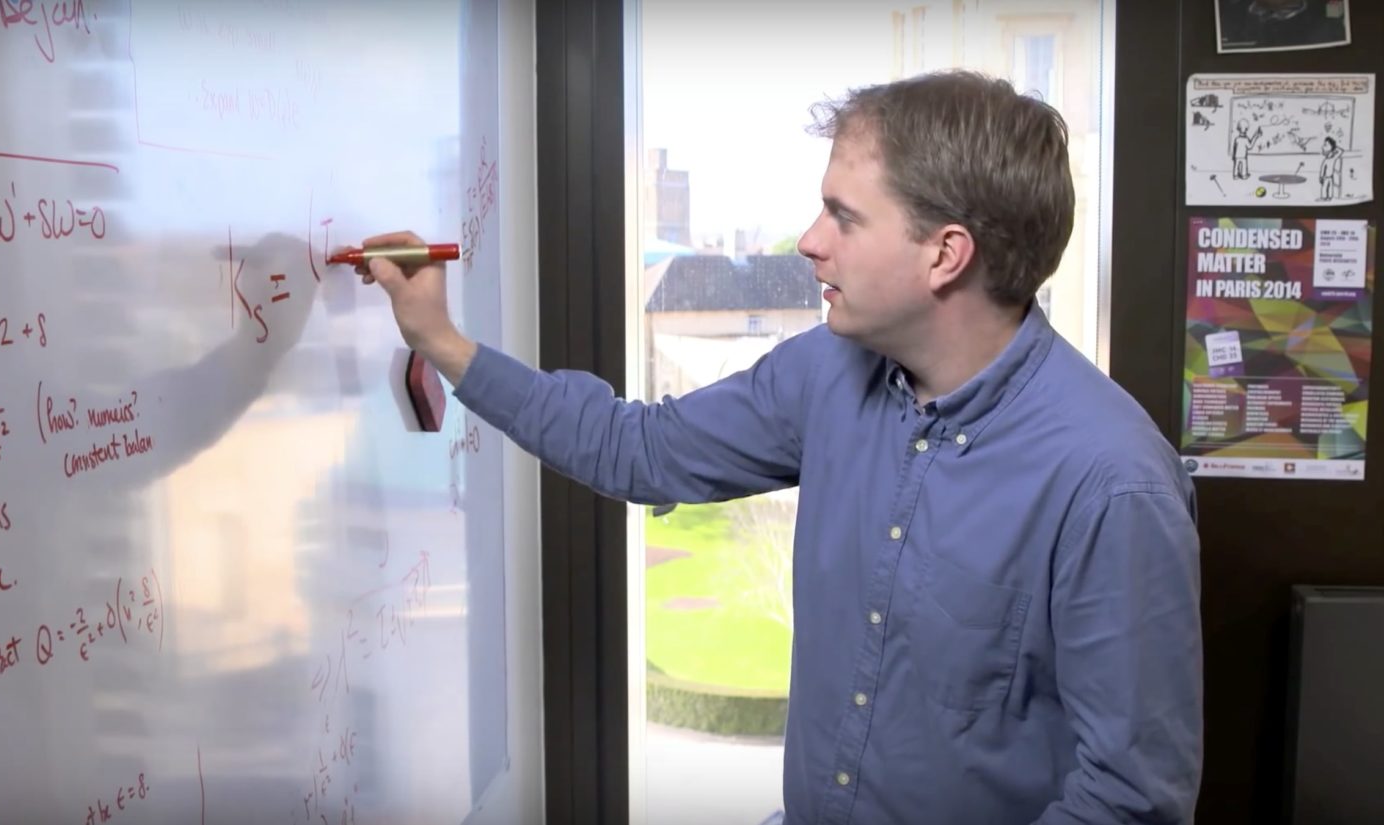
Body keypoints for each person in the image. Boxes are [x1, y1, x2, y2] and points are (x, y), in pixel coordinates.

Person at [360, 70, 1203, 824]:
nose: (808, 240)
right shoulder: (828, 370)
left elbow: (1130, 798)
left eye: (843, 215)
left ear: (947, 254)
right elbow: (640, 449)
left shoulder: (1112, 482)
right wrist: (442, 341)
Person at [1319, 136, 1344, 200]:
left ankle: (1329, 197)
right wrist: (1321, 177)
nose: (1324, 146)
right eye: (1324, 145)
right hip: (1325, 177)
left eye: (1326, 145)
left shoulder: (1333, 157)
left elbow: (1341, 151)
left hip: (1330, 176)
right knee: (1325, 187)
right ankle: (1324, 197)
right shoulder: (1326, 159)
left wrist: (1334, 146)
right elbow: (1322, 169)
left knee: (1329, 187)